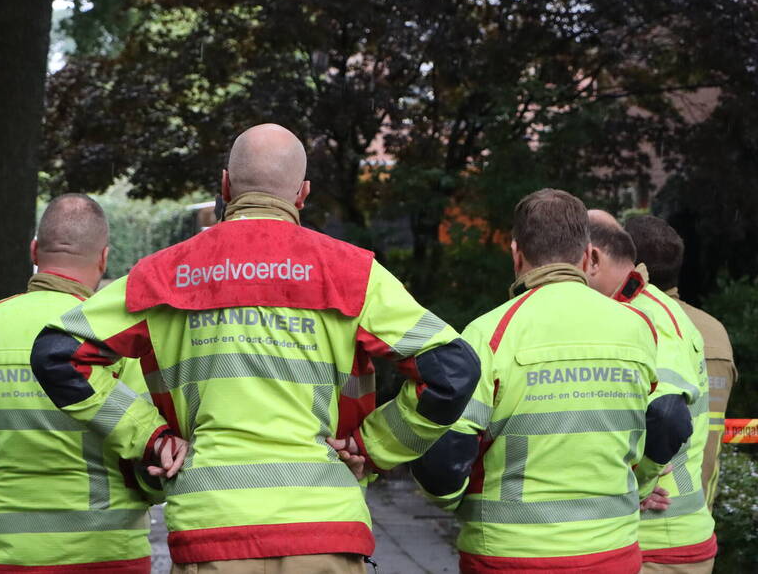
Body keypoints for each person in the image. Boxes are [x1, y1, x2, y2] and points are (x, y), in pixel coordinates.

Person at [31, 123, 480, 573]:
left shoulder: (165, 273)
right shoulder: (354, 274)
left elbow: (58, 354)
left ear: (225, 186)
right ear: (302, 193)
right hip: (324, 527)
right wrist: (372, 447)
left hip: (211, 529)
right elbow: (452, 371)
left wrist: (150, 437)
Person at [410, 188, 690, 573]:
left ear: (516, 254)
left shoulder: (489, 333)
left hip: (508, 556)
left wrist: (452, 502)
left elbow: (444, 462)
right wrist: (640, 488)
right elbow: (668, 419)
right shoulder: (638, 328)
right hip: (611, 553)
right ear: (588, 255)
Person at [0, 194, 171, 573]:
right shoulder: (119, 339)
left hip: (10, 555)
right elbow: (154, 454)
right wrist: (148, 492)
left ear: (35, 250)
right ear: (103, 258)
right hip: (111, 553)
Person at [587, 210, 716, 573]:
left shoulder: (648, 315)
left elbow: (668, 416)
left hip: (659, 543)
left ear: (592, 258)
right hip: (649, 540)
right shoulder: (629, 310)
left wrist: (637, 484)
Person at [625, 215, 737, 510]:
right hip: (697, 512)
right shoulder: (714, 331)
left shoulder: (631, 325)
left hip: (639, 513)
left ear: (631, 265)